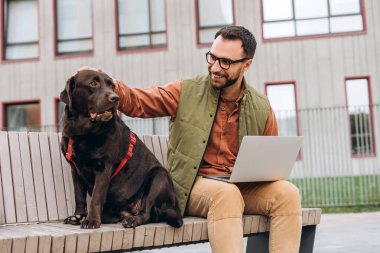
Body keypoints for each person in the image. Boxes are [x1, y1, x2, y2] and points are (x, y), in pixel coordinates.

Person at [82, 26, 301, 253]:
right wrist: (109, 84)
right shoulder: (186, 91)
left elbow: (268, 160)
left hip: (240, 186)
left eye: (225, 62)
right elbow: (139, 102)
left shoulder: (261, 106)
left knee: (287, 193)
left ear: (246, 65)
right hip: (193, 185)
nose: (215, 67)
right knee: (226, 195)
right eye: (212, 58)